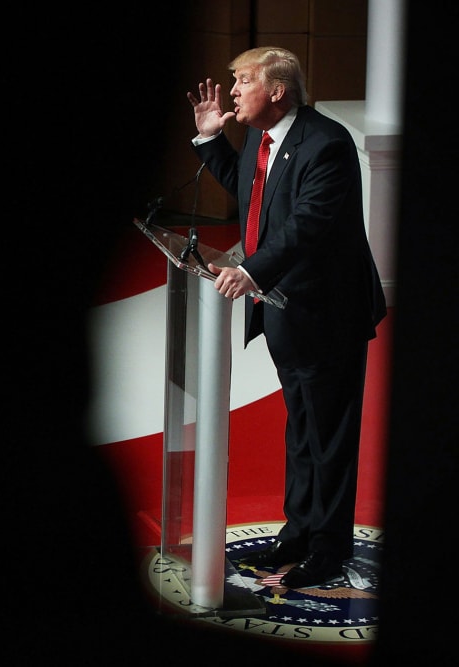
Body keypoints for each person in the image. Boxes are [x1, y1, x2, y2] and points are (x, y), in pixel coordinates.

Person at [187, 46, 387, 589]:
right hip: (286, 311)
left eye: (242, 81)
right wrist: (210, 140)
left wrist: (251, 271)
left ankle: (327, 548)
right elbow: (256, 195)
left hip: (329, 313)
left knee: (329, 436)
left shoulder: (326, 143)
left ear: (277, 90)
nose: (232, 92)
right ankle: (299, 531)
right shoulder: (260, 135)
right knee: (302, 428)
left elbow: (307, 224)